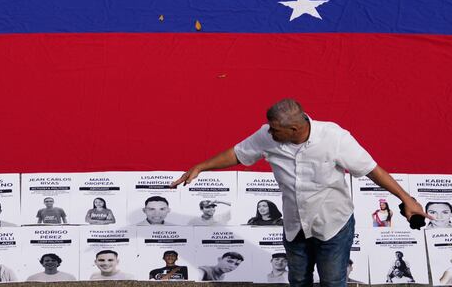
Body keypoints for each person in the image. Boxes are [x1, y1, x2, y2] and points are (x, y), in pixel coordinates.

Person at [173, 99, 423, 287]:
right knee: (299, 280)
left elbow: (372, 170)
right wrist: (200, 166)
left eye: (275, 130)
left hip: (333, 225)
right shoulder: (267, 136)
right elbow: (238, 154)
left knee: (332, 281)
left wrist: (406, 200)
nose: (269, 133)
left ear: (294, 129)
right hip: (295, 226)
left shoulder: (335, 137)